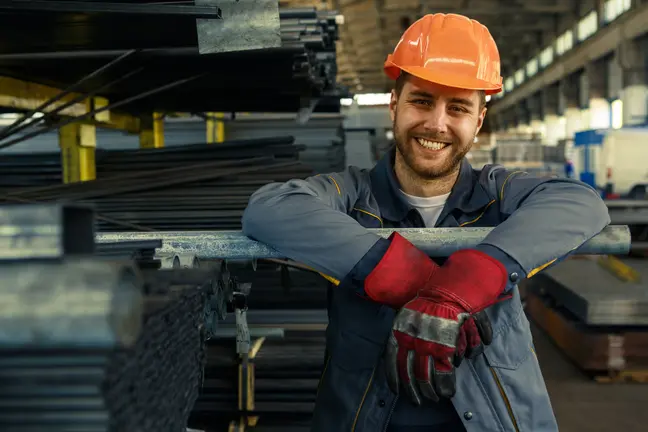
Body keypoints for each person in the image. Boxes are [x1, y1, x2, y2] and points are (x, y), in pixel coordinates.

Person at [242, 13, 610, 432]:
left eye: (457, 107)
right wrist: (417, 283)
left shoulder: (498, 193)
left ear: (478, 121)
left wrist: (469, 280)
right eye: (421, 100)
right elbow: (269, 207)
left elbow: (581, 202)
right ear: (394, 104)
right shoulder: (350, 196)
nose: (436, 124)